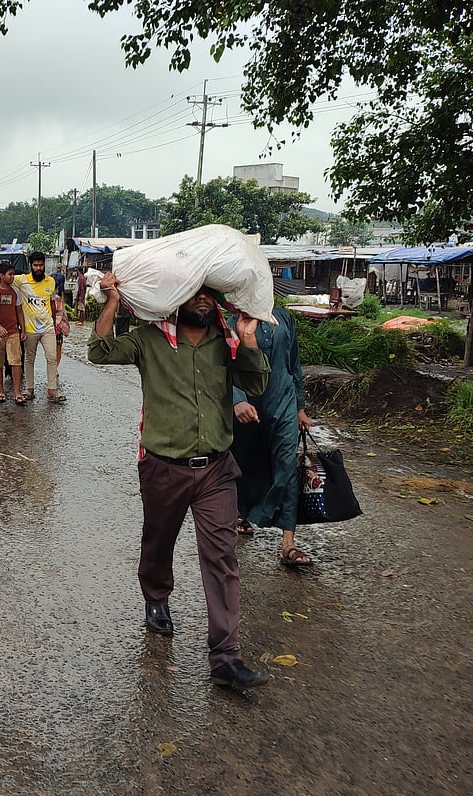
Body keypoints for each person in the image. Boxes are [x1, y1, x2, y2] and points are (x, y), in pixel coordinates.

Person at [88, 274, 272, 690]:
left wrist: (247, 337)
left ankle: (226, 656)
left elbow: (257, 383)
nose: (204, 299)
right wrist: (112, 300)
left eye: (210, 293)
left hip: (217, 470)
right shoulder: (148, 340)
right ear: (176, 299)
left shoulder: (225, 341)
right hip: (163, 467)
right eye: (195, 292)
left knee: (223, 557)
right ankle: (156, 596)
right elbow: (98, 352)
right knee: (158, 542)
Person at [231, 306, 314, 567]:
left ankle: (288, 543)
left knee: (287, 465)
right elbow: (222, 367)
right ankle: (240, 513)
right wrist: (237, 400)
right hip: (248, 404)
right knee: (244, 460)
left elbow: (293, 363)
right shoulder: (231, 322)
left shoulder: (283, 317)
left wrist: (299, 407)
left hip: (283, 400)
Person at [13, 252, 64, 403]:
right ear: (31, 266)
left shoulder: (50, 281)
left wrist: (54, 323)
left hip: (48, 328)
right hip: (30, 329)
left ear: (44, 265)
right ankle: (29, 390)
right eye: (35, 265)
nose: (38, 268)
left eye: (41, 265)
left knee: (52, 358)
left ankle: (52, 391)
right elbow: (2, 278)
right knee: (29, 359)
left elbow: (53, 303)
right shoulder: (21, 280)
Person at [0, 263, 25, 404]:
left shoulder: (15, 291)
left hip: (13, 331)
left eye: (13, 274)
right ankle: (1, 392)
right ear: (2, 276)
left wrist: (23, 329)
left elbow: (19, 311)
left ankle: (17, 393)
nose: (12, 277)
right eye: (9, 274)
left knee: (16, 361)